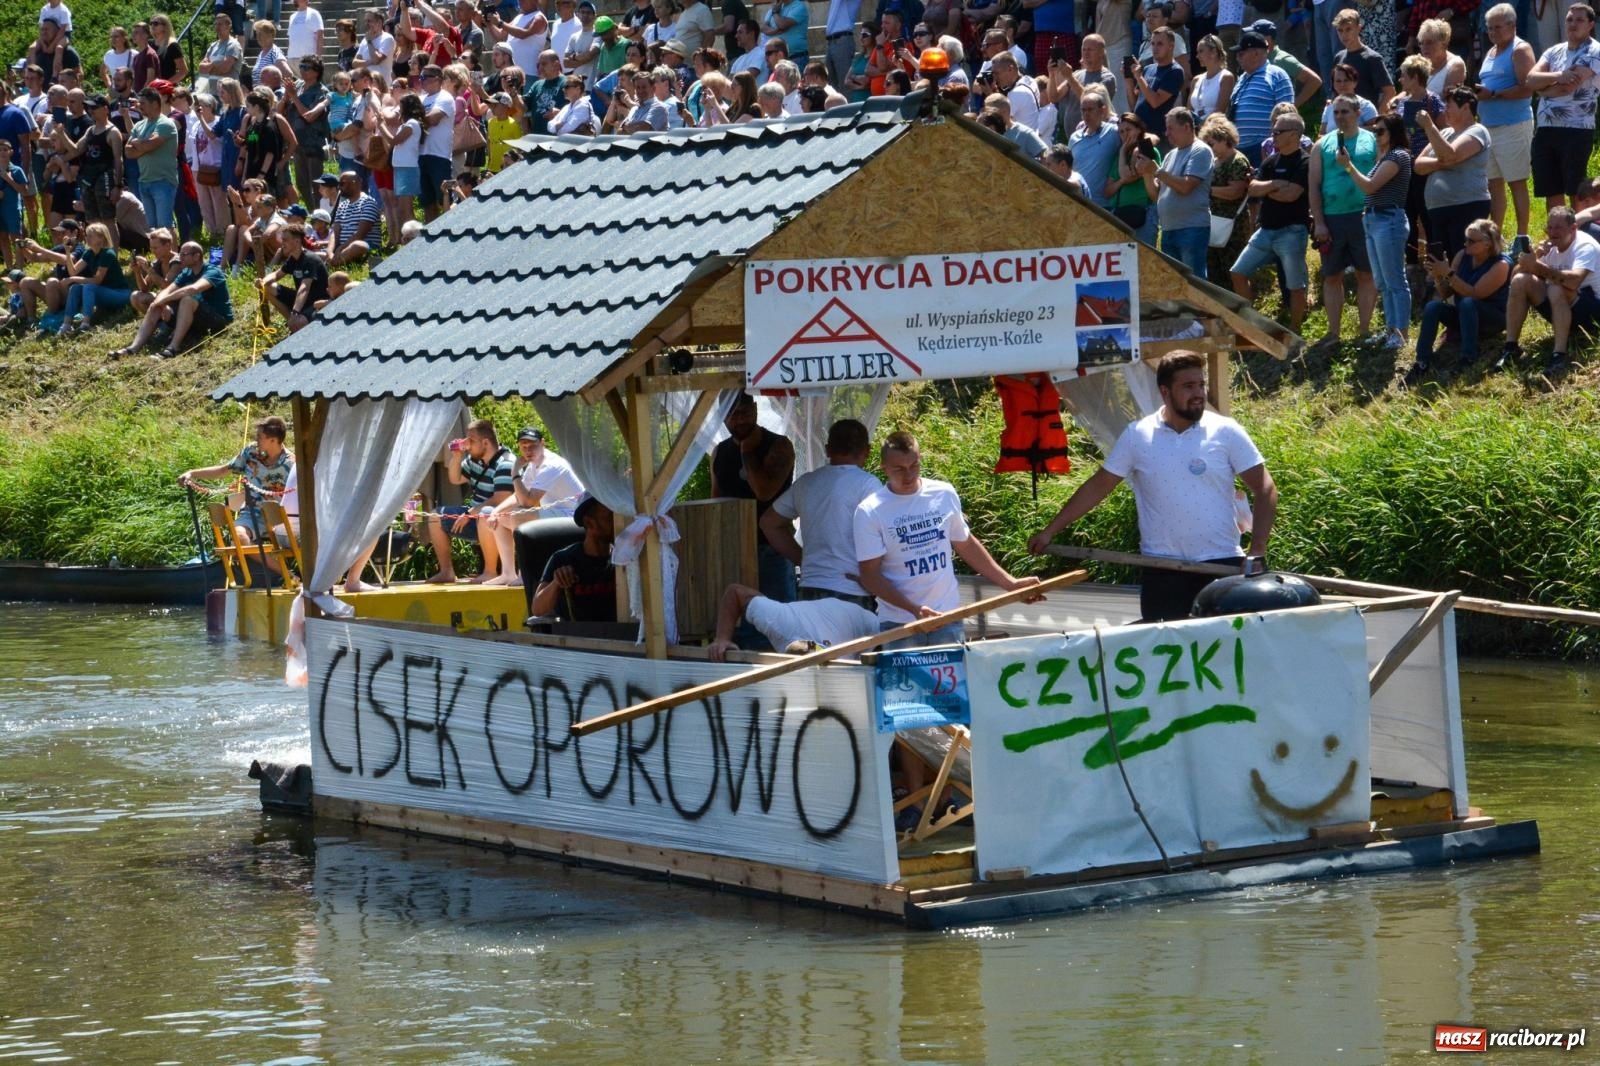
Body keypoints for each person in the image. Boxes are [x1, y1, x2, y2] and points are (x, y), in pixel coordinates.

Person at [1027, 350, 1277, 622]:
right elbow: (1099, 486)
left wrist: (1257, 551)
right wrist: (1051, 530)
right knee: (1168, 659)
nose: (1199, 393)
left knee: (1223, 657)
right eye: (1188, 386)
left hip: (1222, 566)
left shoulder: (1226, 431)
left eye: (1201, 384)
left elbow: (1265, 489)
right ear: (1165, 392)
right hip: (1162, 569)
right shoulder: (1138, 435)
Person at [856, 430, 1040, 647]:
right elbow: (869, 575)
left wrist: (1010, 583)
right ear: (883, 468)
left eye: (914, 465)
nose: (908, 475)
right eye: (899, 469)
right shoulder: (870, 511)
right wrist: (914, 610)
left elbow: (966, 543)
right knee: (908, 683)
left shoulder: (943, 494)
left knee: (951, 682)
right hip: (900, 625)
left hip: (947, 618)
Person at [759, 418, 882, 611]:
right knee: (853, 643)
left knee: (814, 642)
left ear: (827, 450)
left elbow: (769, 522)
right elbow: (883, 535)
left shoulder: (806, 483)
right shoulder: (869, 485)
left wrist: (803, 559)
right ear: (867, 451)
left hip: (810, 586)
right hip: (852, 588)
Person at [1336, 112, 1413, 352]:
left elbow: (1369, 186)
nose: (1376, 135)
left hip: (1388, 220)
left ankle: (1401, 334)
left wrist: (1348, 166)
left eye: (1380, 131)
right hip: (1374, 219)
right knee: (1382, 282)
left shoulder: (1398, 155)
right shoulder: (1384, 158)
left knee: (1395, 281)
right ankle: (1391, 330)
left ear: (1394, 132)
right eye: (1374, 131)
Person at [710, 391, 796, 602]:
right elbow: (716, 502)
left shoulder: (779, 445)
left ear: (756, 410)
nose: (739, 420)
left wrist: (747, 451)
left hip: (772, 548)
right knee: (743, 622)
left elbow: (763, 492)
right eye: (732, 414)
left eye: (745, 412)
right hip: (734, 547)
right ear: (722, 416)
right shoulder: (719, 452)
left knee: (780, 619)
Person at [1496, 206, 1600, 378]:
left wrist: (1537, 266)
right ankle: (1511, 347)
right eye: (1549, 228)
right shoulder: (1550, 246)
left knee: (1556, 288)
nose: (1552, 233)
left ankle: (1559, 355)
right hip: (1565, 307)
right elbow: (1514, 279)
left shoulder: (1585, 246)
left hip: (1593, 312)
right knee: (1521, 281)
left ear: (1573, 228)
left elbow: (1574, 281)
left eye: (1558, 227)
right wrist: (1532, 258)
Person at [1308, 94, 1378, 346]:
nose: (1340, 117)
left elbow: (1380, 177)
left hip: (1364, 216)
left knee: (1366, 273)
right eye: (1336, 113)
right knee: (1332, 275)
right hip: (1332, 217)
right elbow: (1314, 186)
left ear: (1358, 112)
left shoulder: (1372, 140)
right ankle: (1334, 332)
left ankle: (1364, 330)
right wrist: (1319, 222)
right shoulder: (1321, 145)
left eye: (1345, 112)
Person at [1406, 217, 1512, 382]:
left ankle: (1467, 357)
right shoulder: (1463, 255)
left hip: (1492, 319)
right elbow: (1447, 293)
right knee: (1433, 307)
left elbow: (1475, 294)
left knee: (1468, 302)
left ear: (1487, 244)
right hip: (1464, 313)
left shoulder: (1501, 265)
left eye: (1471, 241)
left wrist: (1448, 273)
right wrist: (1438, 277)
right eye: (1466, 239)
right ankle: (1422, 361)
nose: (1466, 244)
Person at [482, 427, 585, 587]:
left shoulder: (551, 465)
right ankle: (508, 573)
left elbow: (528, 502)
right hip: (556, 514)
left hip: (574, 517)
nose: (528, 450)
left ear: (542, 443)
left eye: (532, 445)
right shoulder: (534, 464)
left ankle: (525, 574)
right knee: (496, 516)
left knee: (519, 515)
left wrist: (515, 472)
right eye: (524, 446)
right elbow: (519, 495)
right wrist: (496, 511)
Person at [179, 416, 294, 550]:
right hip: (253, 514)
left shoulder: (292, 464)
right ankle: (283, 572)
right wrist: (192, 473)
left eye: (260, 436)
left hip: (281, 518)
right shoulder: (251, 452)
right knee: (238, 536)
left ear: (273, 440)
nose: (256, 439)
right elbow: (223, 470)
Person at [1475, 3, 1536, 256]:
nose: (1492, 32)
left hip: (1513, 125)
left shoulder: (1520, 50)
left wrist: (1494, 94)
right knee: (1493, 184)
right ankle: (1495, 237)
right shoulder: (1491, 51)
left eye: (1498, 27)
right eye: (1489, 28)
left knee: (1517, 182)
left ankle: (1522, 238)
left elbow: (1528, 86)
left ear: (1512, 25)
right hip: (1489, 127)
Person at [1527, 3, 1600, 212]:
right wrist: (1558, 76)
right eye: (1569, 19)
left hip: (1576, 129)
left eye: (1579, 20)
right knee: (1551, 189)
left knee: (1575, 190)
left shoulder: (1594, 51)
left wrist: (1542, 89)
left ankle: (1579, 235)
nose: (1573, 24)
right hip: (1546, 129)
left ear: (1590, 25)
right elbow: (1531, 79)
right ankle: (1558, 238)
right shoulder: (1553, 51)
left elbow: (1568, 88)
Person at [426, 418, 516, 583]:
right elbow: (455, 478)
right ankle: (447, 571)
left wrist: (469, 513)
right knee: (435, 517)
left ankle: (490, 571)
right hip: (473, 517)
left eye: (471, 440)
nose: (466, 444)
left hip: (498, 522)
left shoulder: (506, 464)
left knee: (485, 514)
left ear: (486, 443)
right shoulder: (474, 460)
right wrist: (457, 456)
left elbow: (500, 500)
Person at [112, 240, 233, 357]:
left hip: (218, 320)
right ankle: (132, 348)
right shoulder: (186, 272)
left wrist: (164, 300)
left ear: (196, 256)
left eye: (184, 255)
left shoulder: (213, 271)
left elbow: (193, 289)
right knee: (156, 305)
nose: (180, 257)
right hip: (197, 318)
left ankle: (173, 348)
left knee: (187, 299)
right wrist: (160, 303)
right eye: (180, 254)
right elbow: (167, 290)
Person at [1413, 86, 1491, 263]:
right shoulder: (1445, 133)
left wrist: (1429, 127)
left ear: (1465, 108)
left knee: (1462, 261)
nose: (1444, 110)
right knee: (1442, 262)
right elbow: (1418, 165)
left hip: (1466, 206)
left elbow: (1451, 155)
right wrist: (1442, 163)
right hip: (1438, 210)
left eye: (1449, 105)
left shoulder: (1477, 130)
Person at [706, 582, 880, 659]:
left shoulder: (781, 625)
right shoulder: (782, 623)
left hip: (855, 620)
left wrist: (722, 638)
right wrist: (722, 638)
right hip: (837, 619)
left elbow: (736, 592)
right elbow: (734, 592)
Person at [1141, 106, 1212, 276]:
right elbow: (1155, 195)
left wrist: (1156, 171)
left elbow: (1186, 186)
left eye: (1171, 128)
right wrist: (1146, 173)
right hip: (1169, 229)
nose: (1166, 133)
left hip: (1192, 228)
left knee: (1194, 284)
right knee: (1175, 285)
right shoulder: (1170, 155)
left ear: (1187, 127)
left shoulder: (1200, 151)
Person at [529, 492, 617, 621]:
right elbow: (538, 609)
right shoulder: (563, 559)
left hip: (619, 635)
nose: (617, 521)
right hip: (577, 637)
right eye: (610, 516)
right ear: (589, 523)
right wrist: (556, 583)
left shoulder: (624, 558)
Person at [1200, 113, 1252, 289]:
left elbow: (1234, 192)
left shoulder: (1237, 161)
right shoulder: (1214, 161)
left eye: (1211, 143)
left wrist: (1206, 190)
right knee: (1215, 274)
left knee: (1232, 272)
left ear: (1224, 139)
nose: (1209, 147)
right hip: (1214, 224)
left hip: (1233, 227)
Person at [1227, 31, 1293, 169]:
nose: (1238, 58)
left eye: (1241, 54)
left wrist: (1279, 143)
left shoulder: (1276, 74)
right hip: (1238, 149)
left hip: (1263, 147)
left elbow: (1288, 114)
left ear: (1256, 53)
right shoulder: (1241, 79)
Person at [259, 223, 329, 333]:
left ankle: (295, 321)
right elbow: (277, 275)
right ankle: (291, 322)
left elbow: (304, 288)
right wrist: (263, 281)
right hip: (302, 301)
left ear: (297, 241)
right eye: (282, 239)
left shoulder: (310, 259)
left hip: (316, 303)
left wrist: (295, 312)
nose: (283, 243)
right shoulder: (293, 259)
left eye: (285, 240)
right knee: (267, 287)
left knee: (300, 323)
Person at [1127, 26, 1183, 142]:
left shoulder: (1175, 71)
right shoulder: (1148, 69)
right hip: (1138, 132)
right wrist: (1128, 79)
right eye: (1153, 44)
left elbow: (1155, 102)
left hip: (1157, 135)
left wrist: (1139, 77)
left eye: (1160, 44)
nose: (1155, 48)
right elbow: (1134, 103)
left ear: (1171, 46)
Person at [1331, 7, 1393, 110]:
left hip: (1365, 117)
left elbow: (1389, 91)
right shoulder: (1339, 57)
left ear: (1359, 28)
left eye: (1348, 29)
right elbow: (1334, 91)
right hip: (1343, 117)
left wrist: (1376, 116)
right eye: (1340, 31)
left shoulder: (1372, 58)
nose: (1344, 35)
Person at [1068, 87, 1119, 208]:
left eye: (1090, 110)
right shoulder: (1074, 137)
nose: (1086, 114)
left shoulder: (1114, 132)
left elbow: (1139, 135)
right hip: (1078, 202)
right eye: (1083, 110)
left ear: (1102, 110)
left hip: (1103, 206)